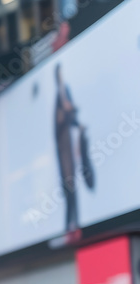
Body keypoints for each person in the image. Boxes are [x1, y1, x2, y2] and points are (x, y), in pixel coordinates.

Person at [54, 64, 81, 235]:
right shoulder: (58, 97)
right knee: (68, 184)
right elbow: (58, 123)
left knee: (72, 184)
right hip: (63, 150)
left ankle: (75, 223)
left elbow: (72, 116)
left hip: (68, 148)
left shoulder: (66, 92)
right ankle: (70, 225)